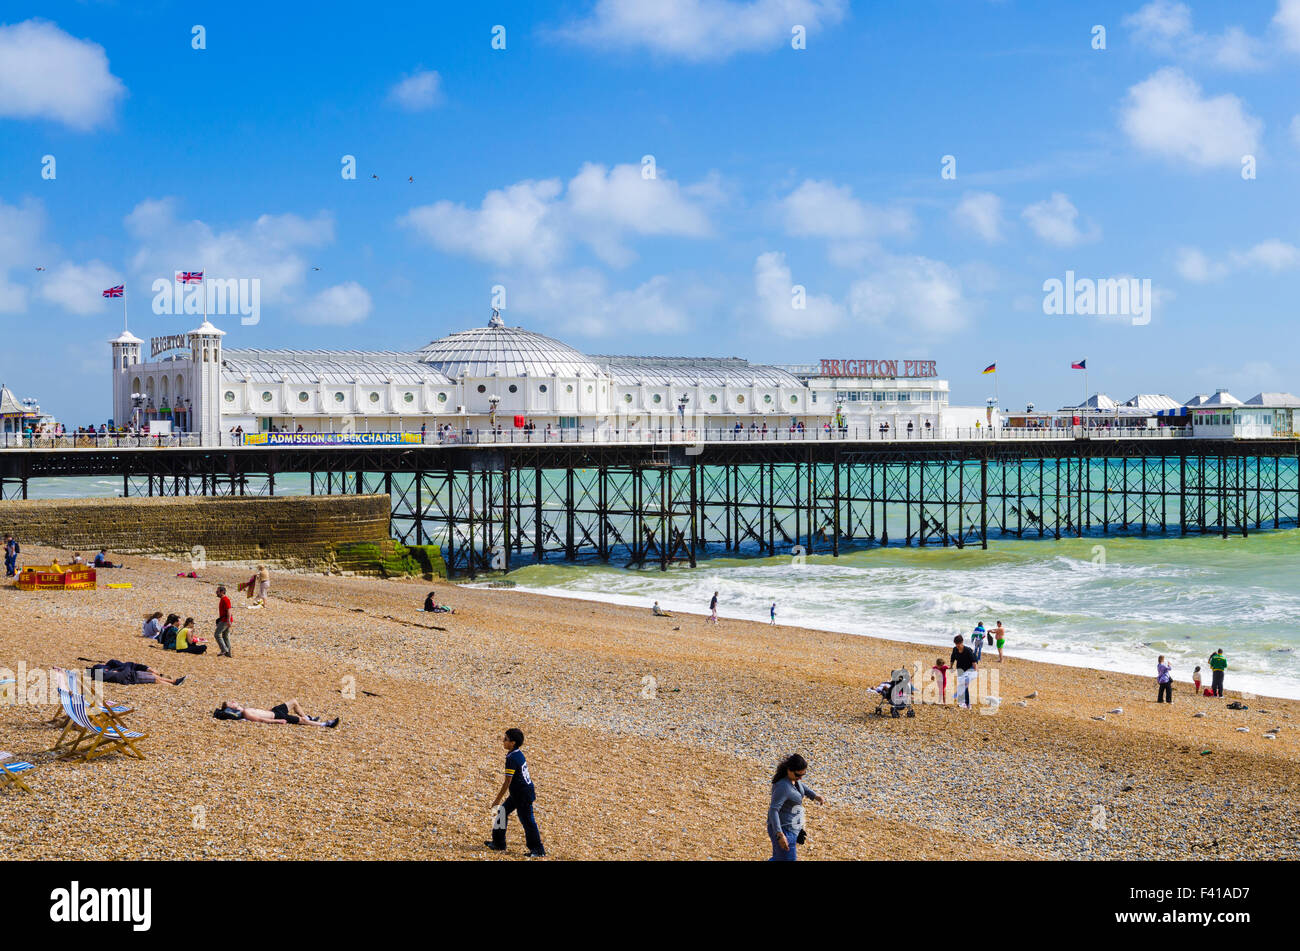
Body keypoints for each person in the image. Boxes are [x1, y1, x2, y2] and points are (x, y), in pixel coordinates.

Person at [485, 728, 545, 857]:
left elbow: (507, 782)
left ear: (513, 743)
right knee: (502, 812)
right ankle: (498, 843)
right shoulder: (516, 753)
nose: (503, 741)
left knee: (528, 821)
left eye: (505, 739)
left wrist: (497, 800)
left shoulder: (512, 758)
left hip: (523, 795)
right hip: (518, 793)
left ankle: (538, 849)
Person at [767, 753, 823, 862]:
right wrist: (779, 834)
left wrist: (814, 795)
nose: (800, 778)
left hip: (791, 829)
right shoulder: (783, 787)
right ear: (789, 770)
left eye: (803, 775)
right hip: (784, 830)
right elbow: (773, 810)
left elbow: (800, 787)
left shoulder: (793, 780)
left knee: (779, 858)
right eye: (798, 775)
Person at [214, 700, 338, 727]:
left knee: (294, 702)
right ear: (233, 709)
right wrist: (277, 721)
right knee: (301, 722)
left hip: (273, 711)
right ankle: (325, 724)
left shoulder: (245, 709)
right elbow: (260, 720)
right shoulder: (246, 713)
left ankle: (308, 717)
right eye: (232, 703)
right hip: (277, 716)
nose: (234, 702)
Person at [88, 659, 185, 686]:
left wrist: (127, 666)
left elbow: (117, 664)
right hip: (131, 678)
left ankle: (174, 681)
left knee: (152, 675)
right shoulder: (100, 674)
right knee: (154, 679)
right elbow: (119, 676)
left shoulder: (107, 668)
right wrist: (127, 666)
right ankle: (172, 685)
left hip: (132, 673)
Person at [950, 635, 978, 709]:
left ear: (962, 642)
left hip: (969, 669)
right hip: (960, 670)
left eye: (958, 644)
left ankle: (968, 704)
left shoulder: (968, 650)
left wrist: (975, 671)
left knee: (964, 686)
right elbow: (952, 658)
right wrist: (951, 666)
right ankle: (963, 702)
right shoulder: (955, 649)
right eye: (956, 644)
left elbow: (974, 661)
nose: (957, 645)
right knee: (962, 686)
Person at [214, 586, 234, 658]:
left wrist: (228, 620)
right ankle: (228, 653)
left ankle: (224, 649)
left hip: (225, 620)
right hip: (225, 619)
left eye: (217, 591)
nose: (216, 593)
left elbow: (229, 610)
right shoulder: (223, 599)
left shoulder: (225, 599)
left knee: (217, 634)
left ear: (222, 592)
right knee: (225, 636)